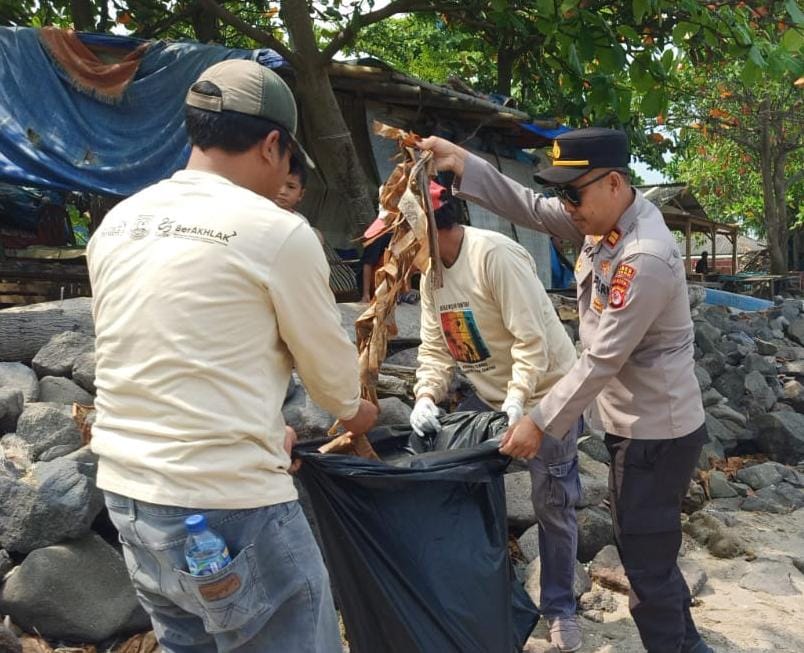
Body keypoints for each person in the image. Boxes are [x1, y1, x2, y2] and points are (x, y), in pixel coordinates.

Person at [87, 59, 377, 653]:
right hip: (228, 506)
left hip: (129, 498)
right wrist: (357, 413)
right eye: (289, 162)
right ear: (272, 144)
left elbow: (168, 355)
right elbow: (331, 380)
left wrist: (264, 430)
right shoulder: (276, 231)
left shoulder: (120, 222)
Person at [418, 128, 712, 653]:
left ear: (614, 183)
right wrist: (462, 161)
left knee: (645, 568)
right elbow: (531, 207)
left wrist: (537, 420)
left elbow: (600, 360)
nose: (566, 207)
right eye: (563, 194)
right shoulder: (603, 222)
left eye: (573, 194)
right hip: (631, 424)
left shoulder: (644, 256)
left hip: (656, 433)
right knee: (649, 556)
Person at [409, 187, 582, 651]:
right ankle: (485, 597)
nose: (397, 247)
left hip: (547, 393)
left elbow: (532, 340)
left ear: (429, 225)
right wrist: (425, 395)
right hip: (490, 397)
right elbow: (435, 348)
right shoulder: (430, 277)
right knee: (455, 485)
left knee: (553, 503)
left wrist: (519, 402)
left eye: (404, 234)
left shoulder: (493, 256)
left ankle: (560, 607)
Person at [274, 155, 325, 245]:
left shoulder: (300, 222)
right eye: (278, 183)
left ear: (301, 194)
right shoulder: (255, 212)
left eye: (291, 187)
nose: (283, 191)